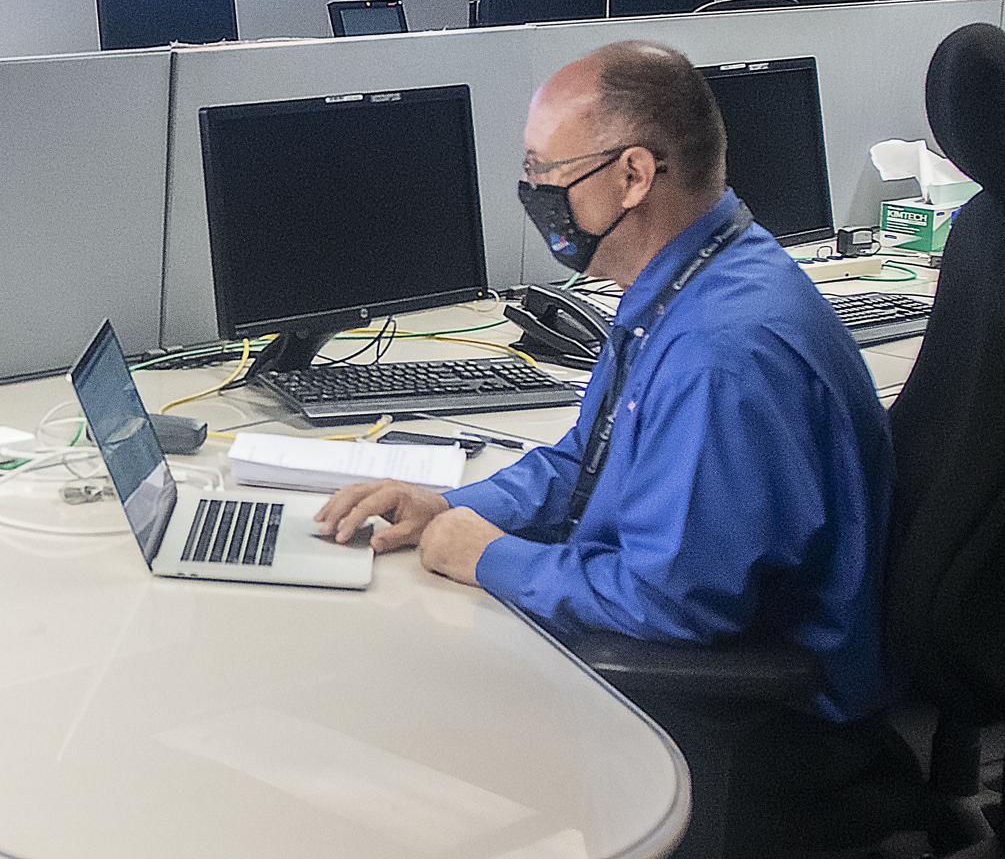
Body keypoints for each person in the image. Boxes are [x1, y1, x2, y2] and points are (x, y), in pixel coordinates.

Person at [315, 41, 918, 846]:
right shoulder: (686, 281)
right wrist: (450, 508)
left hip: (749, 721)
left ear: (633, 175)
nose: (532, 193)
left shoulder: (720, 353)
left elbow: (671, 605)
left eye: (543, 171)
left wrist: (488, 556)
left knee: (403, 755)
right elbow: (585, 462)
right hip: (697, 659)